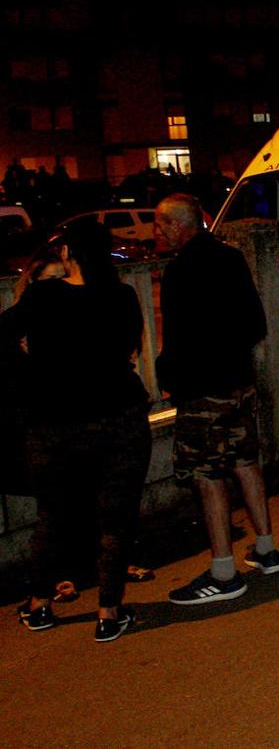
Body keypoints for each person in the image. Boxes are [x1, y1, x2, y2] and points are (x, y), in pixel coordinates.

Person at [2, 219, 151, 642]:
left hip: (55, 423)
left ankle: (41, 605)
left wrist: (31, 369)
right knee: (115, 518)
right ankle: (109, 612)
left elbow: (3, 338)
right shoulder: (122, 296)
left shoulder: (43, 296)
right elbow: (129, 348)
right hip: (118, 416)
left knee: (53, 515)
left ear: (67, 254)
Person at [154, 194, 279, 605]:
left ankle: (224, 573)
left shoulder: (179, 271)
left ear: (177, 226)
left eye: (162, 226)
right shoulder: (231, 259)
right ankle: (266, 548)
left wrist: (170, 376)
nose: (159, 234)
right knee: (245, 461)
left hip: (202, 389)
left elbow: (176, 338)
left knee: (207, 475)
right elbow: (256, 322)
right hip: (239, 381)